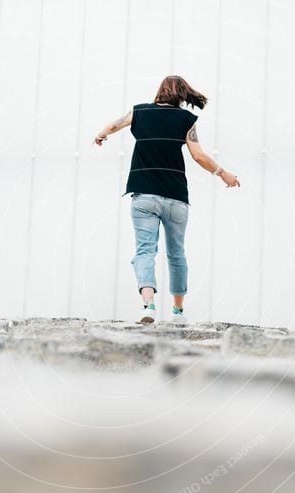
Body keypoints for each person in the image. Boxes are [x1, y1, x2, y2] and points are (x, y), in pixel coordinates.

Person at [93, 75, 240, 324]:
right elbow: (199, 155)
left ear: (160, 91)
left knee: (145, 251)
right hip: (176, 199)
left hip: (144, 197)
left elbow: (113, 125)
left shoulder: (139, 112)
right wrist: (223, 174)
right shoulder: (186, 120)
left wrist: (101, 135)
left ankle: (148, 306)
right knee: (176, 254)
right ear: (182, 94)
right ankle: (178, 312)